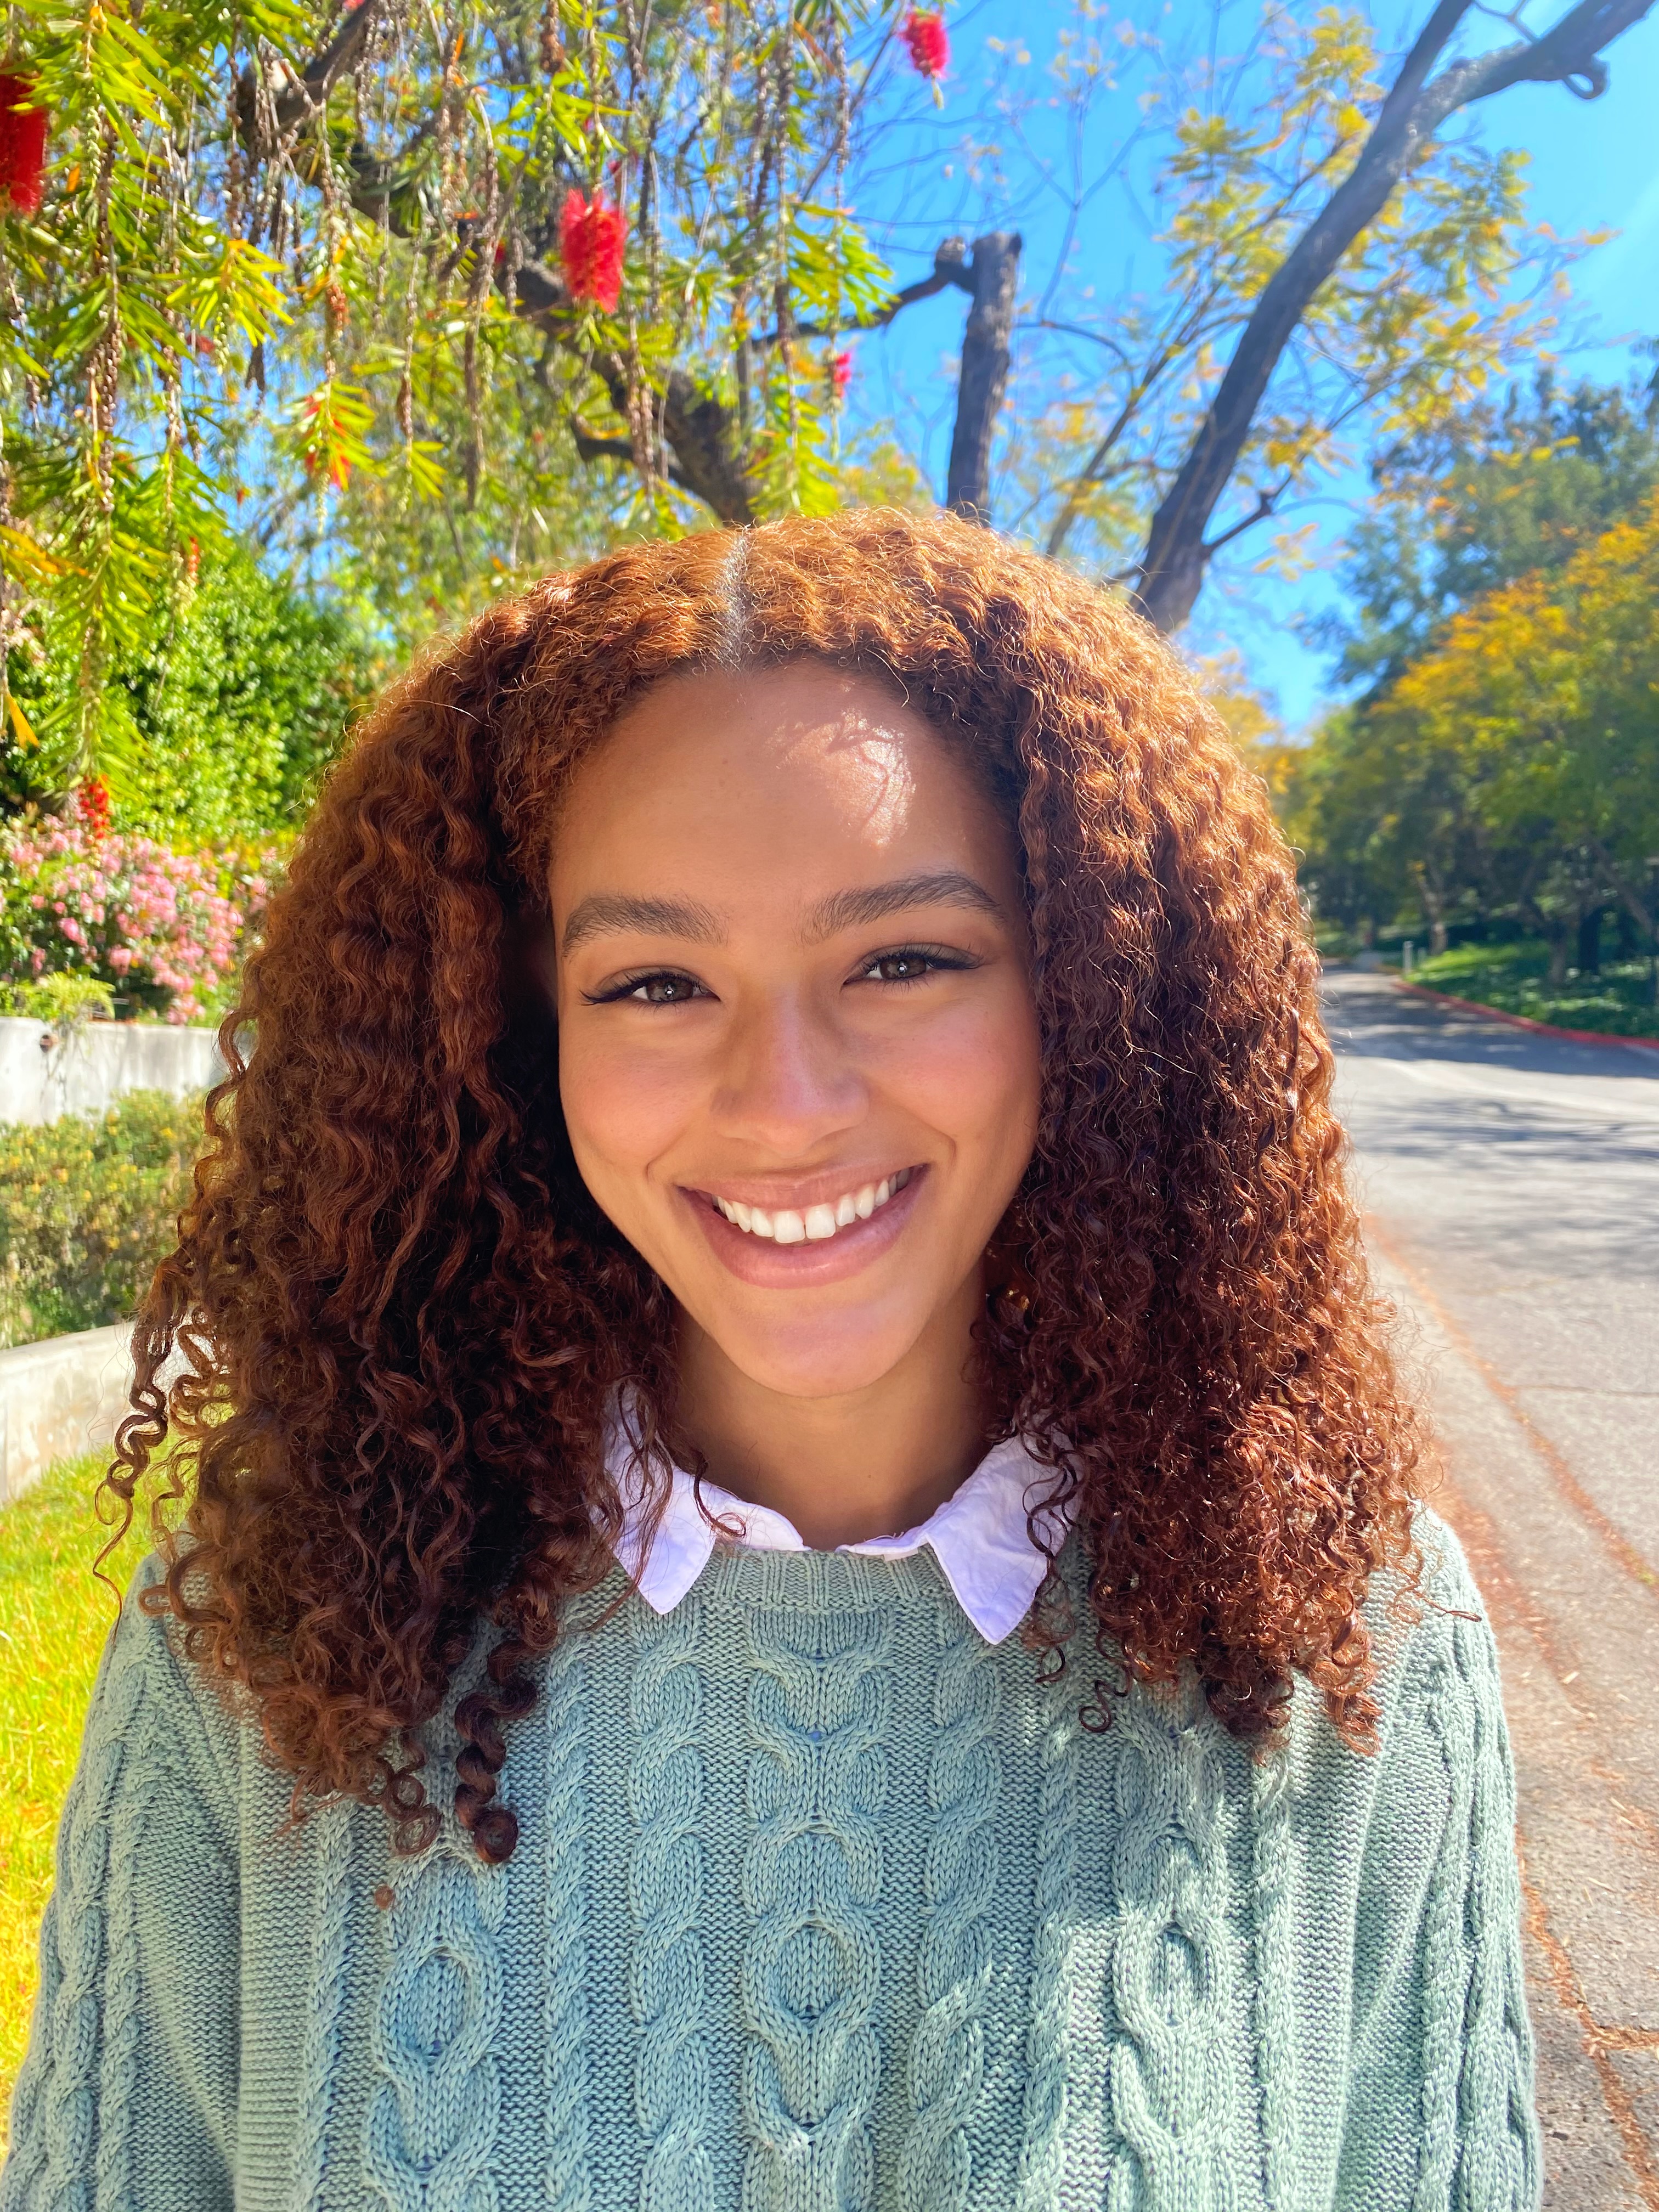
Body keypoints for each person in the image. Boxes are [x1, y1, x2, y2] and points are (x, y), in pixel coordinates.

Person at [2, 510, 1541, 2212]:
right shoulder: (276, 1635)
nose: (786, 1104)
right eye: (656, 982)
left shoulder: (1352, 1640)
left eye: (904, 960)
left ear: (1092, 998)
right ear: (522, 1039)